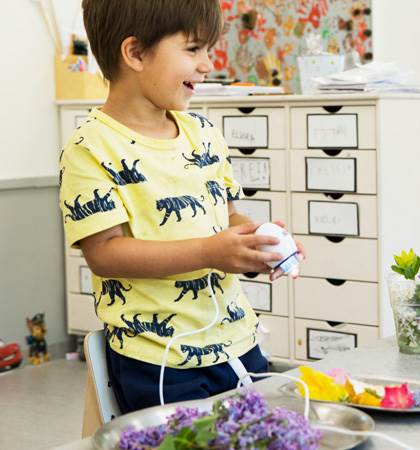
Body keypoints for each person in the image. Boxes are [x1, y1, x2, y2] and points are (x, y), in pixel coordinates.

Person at [59, 0, 303, 413]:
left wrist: (254, 241)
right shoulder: (90, 148)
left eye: (208, 50)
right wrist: (210, 252)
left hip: (237, 343)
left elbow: (225, 217)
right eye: (193, 50)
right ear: (135, 53)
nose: (208, 64)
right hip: (159, 359)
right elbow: (104, 254)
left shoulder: (203, 133)